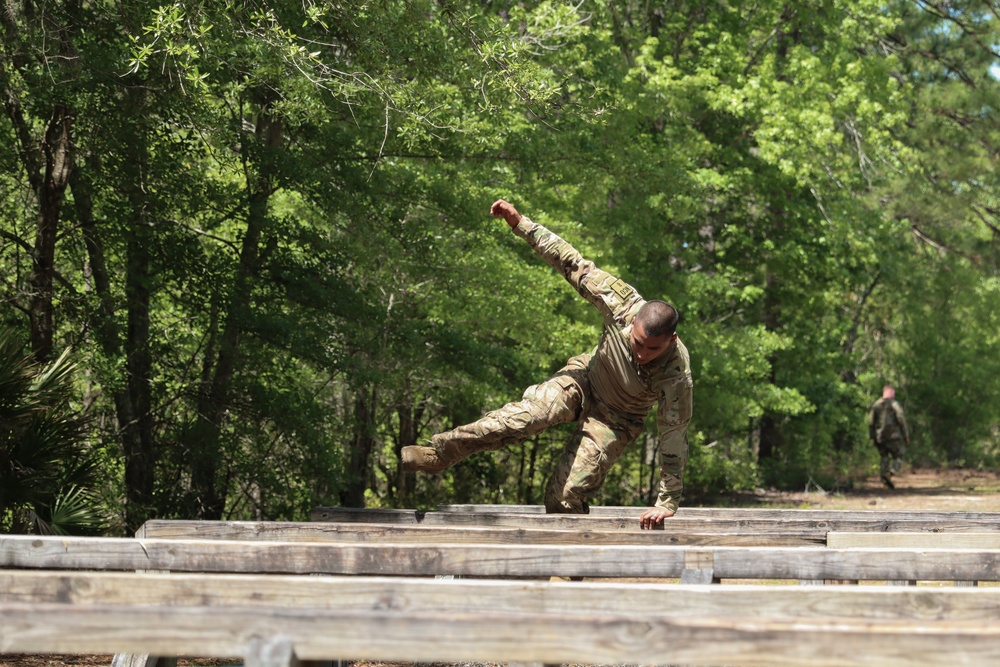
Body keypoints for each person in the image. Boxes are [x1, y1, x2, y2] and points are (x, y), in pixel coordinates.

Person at [402, 199, 693, 530]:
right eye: (636, 343)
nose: (641, 354)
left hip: (618, 419)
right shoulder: (619, 302)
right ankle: (442, 453)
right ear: (632, 323)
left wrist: (666, 502)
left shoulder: (677, 377)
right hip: (584, 382)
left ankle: (567, 570)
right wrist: (519, 224)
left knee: (565, 496)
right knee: (520, 419)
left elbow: (674, 436)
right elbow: (569, 261)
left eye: (651, 350)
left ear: (670, 341)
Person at [868, 384, 910, 489]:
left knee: (884, 458)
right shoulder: (894, 404)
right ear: (892, 393)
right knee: (899, 456)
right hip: (893, 437)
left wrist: (872, 437)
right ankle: (891, 473)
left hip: (880, 437)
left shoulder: (876, 405)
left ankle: (885, 483)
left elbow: (871, 423)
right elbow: (901, 419)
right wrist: (905, 435)